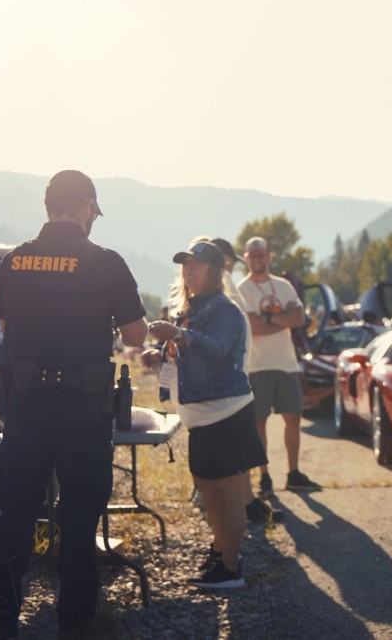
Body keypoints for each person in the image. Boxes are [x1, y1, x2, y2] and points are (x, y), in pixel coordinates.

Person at [0, 170, 148, 638]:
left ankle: (0, 618)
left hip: (27, 407)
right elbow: (137, 336)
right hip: (83, 411)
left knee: (15, 512)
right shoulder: (106, 262)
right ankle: (74, 623)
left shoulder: (14, 261)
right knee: (79, 517)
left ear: (49, 206)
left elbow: (9, 328)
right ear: (86, 206)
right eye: (94, 210)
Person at [143, 240, 267, 589]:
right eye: (185, 264)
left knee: (228, 494)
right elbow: (190, 350)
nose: (188, 269)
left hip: (226, 414)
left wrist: (178, 335)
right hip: (202, 418)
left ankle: (231, 569)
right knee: (210, 492)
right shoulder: (191, 308)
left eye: (196, 264)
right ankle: (220, 551)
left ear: (215, 271)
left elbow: (216, 347)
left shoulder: (224, 308)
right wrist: (161, 354)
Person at [237, 236, 320, 496]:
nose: (258, 259)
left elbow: (299, 318)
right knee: (259, 422)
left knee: (293, 417)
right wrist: (281, 319)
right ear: (246, 258)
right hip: (257, 365)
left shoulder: (283, 286)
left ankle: (294, 473)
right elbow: (253, 327)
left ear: (269, 257)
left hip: (286, 364)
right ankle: (264, 476)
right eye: (253, 255)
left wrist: (269, 317)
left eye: (262, 254)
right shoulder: (242, 290)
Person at [209, 237, 282, 524]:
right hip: (236, 375)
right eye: (230, 261)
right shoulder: (223, 283)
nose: (230, 266)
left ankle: (241, 499)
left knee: (237, 441)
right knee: (240, 441)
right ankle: (245, 501)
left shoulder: (220, 284)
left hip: (236, 373)